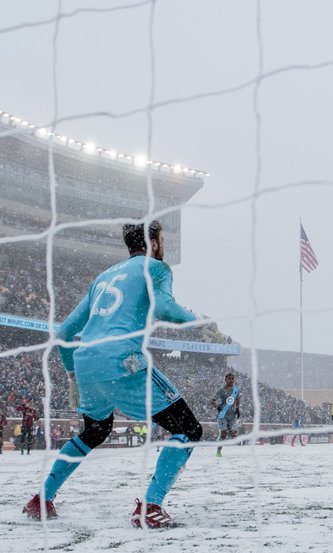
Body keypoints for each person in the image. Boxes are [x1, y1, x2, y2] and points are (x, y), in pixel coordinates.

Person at [22, 220, 209, 528]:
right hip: (123, 360)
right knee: (188, 429)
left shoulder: (103, 277)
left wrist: (72, 376)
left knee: (93, 432)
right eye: (162, 239)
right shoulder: (157, 269)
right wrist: (198, 320)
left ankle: (42, 499)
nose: (164, 245)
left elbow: (66, 331)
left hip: (86, 363)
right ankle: (150, 507)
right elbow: (164, 308)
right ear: (153, 243)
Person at [211, 371, 242, 458]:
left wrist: (238, 409)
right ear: (225, 379)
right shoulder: (221, 390)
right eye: (229, 378)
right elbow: (212, 401)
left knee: (234, 435)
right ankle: (218, 451)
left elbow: (237, 399)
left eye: (233, 379)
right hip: (223, 415)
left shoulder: (236, 390)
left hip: (232, 415)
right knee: (224, 433)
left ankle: (223, 435)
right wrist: (217, 407)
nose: (231, 380)